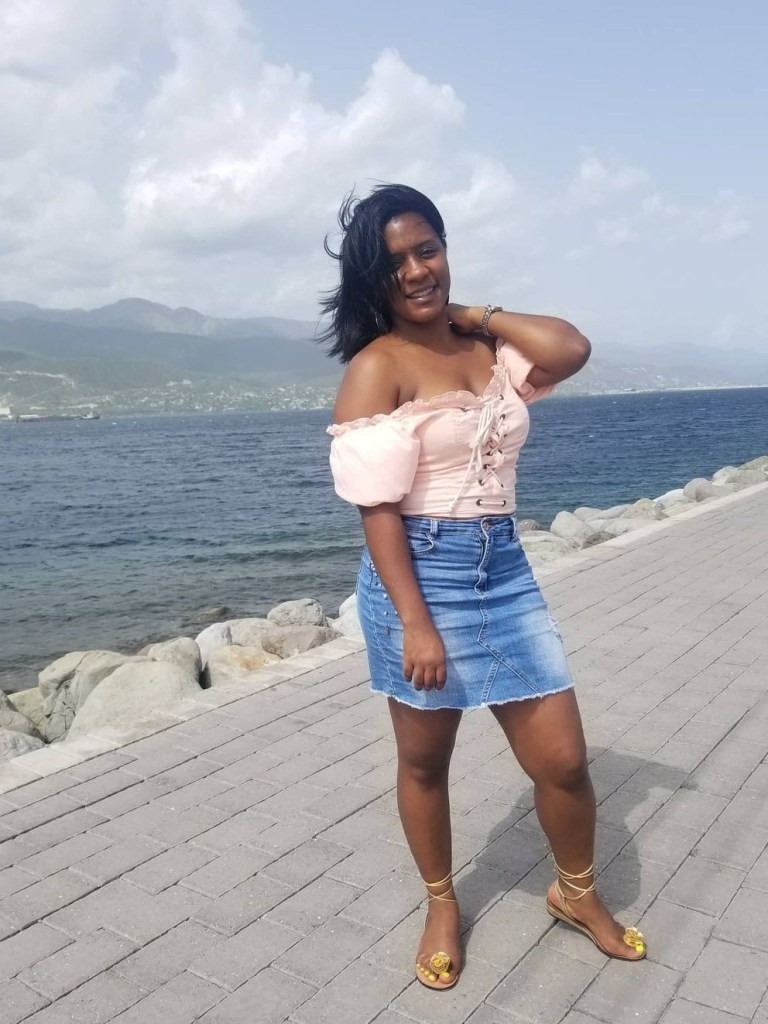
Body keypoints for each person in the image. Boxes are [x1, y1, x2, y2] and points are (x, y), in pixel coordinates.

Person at [322, 184, 645, 991]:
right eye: (395, 263)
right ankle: (441, 904)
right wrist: (415, 622)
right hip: (420, 576)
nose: (415, 271)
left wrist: (473, 313)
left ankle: (575, 893)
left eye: (426, 250)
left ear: (445, 250)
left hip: (504, 572)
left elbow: (570, 348)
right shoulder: (377, 367)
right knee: (425, 761)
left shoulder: (486, 349)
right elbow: (378, 512)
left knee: (563, 761)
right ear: (371, 280)